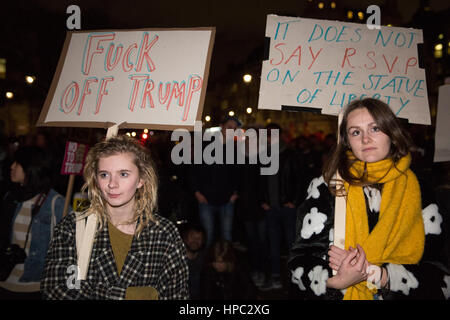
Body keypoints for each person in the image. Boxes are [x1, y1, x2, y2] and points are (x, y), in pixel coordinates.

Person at [288, 98, 449, 300]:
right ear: (347, 141)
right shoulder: (328, 186)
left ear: (392, 133)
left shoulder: (419, 189)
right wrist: (336, 282)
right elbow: (300, 260)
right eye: (355, 132)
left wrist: (378, 275)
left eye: (375, 129)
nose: (365, 139)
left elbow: (438, 270)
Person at [41, 135, 189, 300]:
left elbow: (178, 296)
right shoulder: (73, 227)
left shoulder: (164, 234)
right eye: (104, 174)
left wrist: (91, 292)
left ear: (141, 179)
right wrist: (129, 296)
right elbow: (55, 292)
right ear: (96, 179)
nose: (112, 184)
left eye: (123, 174)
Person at [0, 146, 65, 299]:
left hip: (34, 287)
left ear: (31, 168)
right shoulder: (10, 197)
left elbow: (67, 249)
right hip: (5, 282)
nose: (12, 166)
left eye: (18, 163)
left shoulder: (54, 203)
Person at [260, 123, 304, 291]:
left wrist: (293, 200)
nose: (270, 138)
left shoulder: (291, 155)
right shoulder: (263, 155)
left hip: (287, 208)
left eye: (273, 134)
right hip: (270, 208)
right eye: (268, 135)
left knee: (292, 243)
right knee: (273, 245)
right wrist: (262, 201)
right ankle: (276, 277)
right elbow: (260, 181)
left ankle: (296, 278)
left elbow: (299, 179)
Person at [191, 115, 241, 247]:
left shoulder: (236, 149)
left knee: (227, 236)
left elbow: (239, 173)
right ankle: (206, 266)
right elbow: (194, 170)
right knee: (207, 236)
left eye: (234, 129)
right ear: (221, 127)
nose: (232, 131)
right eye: (229, 127)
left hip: (227, 200)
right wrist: (197, 192)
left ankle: (226, 264)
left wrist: (235, 193)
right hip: (206, 199)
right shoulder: (205, 145)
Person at [180, 223, 206, 299]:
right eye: (192, 237)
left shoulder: (205, 258)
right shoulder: (176, 259)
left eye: (199, 238)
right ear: (185, 238)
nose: (195, 240)